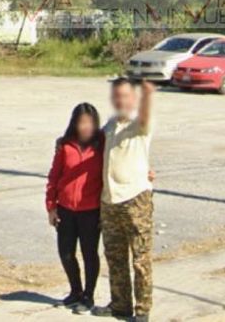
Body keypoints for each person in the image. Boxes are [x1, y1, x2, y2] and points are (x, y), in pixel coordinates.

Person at [93, 77, 155, 322]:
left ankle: (142, 311)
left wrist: (148, 96)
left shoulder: (139, 123)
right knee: (115, 257)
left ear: (134, 99)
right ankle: (120, 305)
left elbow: (146, 117)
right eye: (117, 96)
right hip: (109, 200)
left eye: (125, 96)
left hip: (135, 199)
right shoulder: (110, 125)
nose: (121, 100)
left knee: (140, 258)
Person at [45, 102, 104, 314]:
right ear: (74, 123)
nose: (86, 126)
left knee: (89, 254)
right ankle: (75, 291)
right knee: (66, 253)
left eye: (90, 122)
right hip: (66, 209)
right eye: (81, 122)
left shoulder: (102, 145)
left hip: (91, 210)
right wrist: (51, 206)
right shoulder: (65, 145)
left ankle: (88, 296)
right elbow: (54, 176)